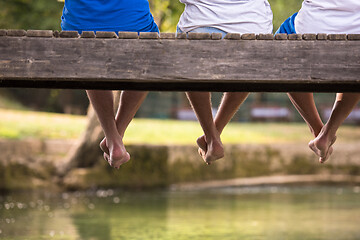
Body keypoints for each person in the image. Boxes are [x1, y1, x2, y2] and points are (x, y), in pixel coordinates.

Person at [61, 0, 159, 169]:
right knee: (151, 52)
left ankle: (113, 138)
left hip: (79, 26)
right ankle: (116, 136)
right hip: (133, 25)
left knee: (89, 58)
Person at [177, 0, 273, 164]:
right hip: (254, 27)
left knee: (191, 60)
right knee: (248, 65)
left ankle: (211, 136)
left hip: (202, 23)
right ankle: (214, 134)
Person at [276, 0, 360, 163]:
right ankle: (327, 133)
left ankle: (317, 130)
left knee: (283, 40)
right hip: (357, 32)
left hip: (312, 27)